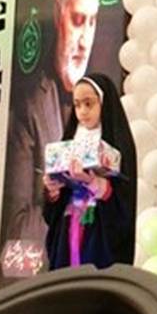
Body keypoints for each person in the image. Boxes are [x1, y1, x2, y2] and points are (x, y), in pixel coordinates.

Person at [2, 0, 102, 271]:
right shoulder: (28, 105)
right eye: (78, 20)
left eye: (92, 22)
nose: (84, 41)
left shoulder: (105, 110)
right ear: (58, 12)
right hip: (42, 272)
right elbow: (15, 227)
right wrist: (62, 203)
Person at [42, 73, 136, 270]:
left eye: (88, 103)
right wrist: (52, 191)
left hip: (100, 234)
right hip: (68, 230)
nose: (82, 111)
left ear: (104, 103)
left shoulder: (118, 143)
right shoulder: (69, 140)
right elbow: (52, 212)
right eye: (77, 105)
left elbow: (124, 202)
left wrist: (94, 183)